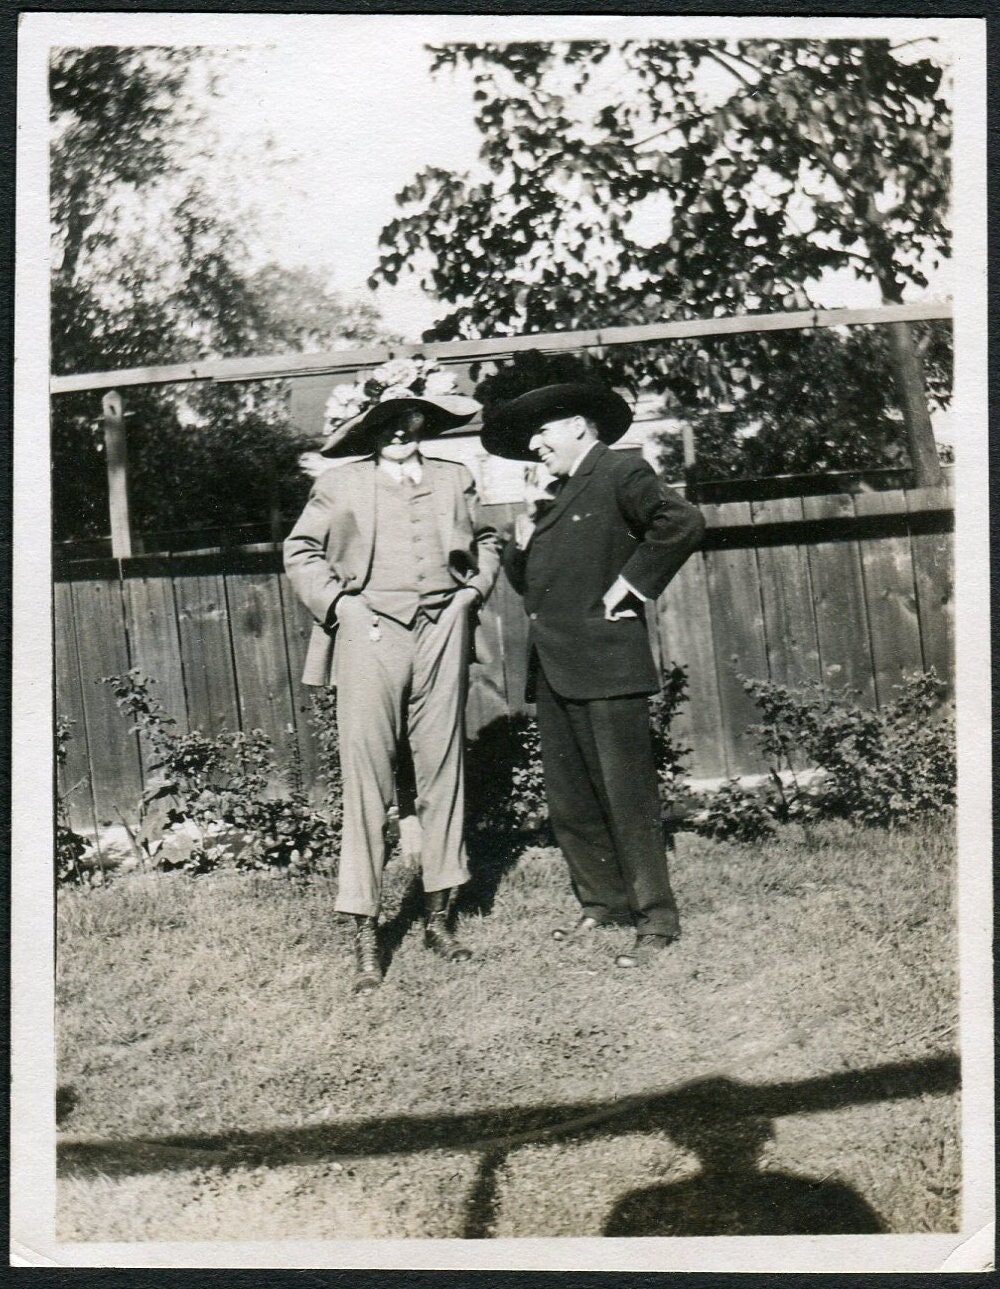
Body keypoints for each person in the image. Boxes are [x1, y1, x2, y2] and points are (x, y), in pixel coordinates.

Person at [481, 381, 705, 969]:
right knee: (572, 800)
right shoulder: (551, 495)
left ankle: (656, 918)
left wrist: (631, 587)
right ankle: (603, 905)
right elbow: (530, 585)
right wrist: (522, 539)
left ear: (578, 426)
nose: (535, 446)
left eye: (542, 432)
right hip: (555, 667)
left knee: (626, 797)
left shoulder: (619, 471)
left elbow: (681, 521)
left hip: (607, 664)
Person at [284, 392, 501, 994]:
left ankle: (438, 919)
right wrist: (340, 605)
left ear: (423, 422)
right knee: (367, 780)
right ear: (370, 430)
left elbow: (488, 539)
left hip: (443, 628)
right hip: (370, 632)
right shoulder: (340, 483)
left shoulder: (455, 477)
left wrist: (471, 594)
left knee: (443, 769)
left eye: (409, 422)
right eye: (387, 424)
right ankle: (366, 935)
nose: (400, 433)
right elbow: (300, 550)